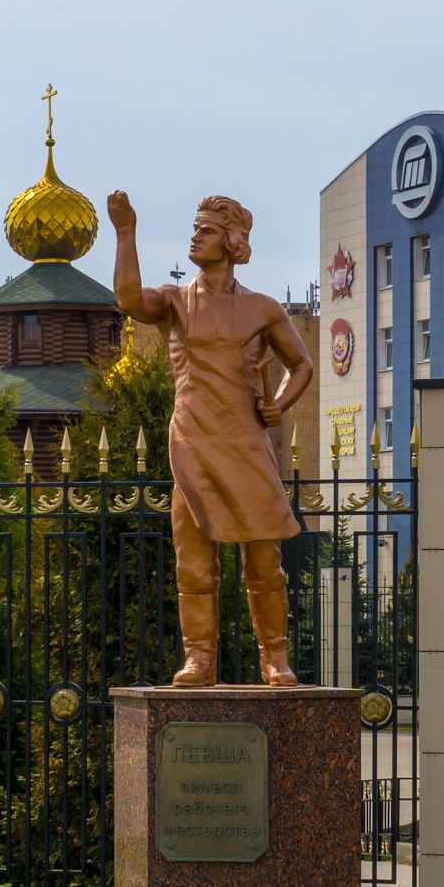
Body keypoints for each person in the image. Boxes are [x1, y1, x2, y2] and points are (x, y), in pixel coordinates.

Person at [109, 189, 314, 687]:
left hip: (245, 443)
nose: (195, 238)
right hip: (192, 441)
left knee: (264, 561)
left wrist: (279, 403)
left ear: (232, 240)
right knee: (194, 561)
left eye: (206, 230)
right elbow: (130, 301)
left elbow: (301, 365)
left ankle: (275, 659)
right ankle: (198, 659)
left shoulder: (263, 309)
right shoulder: (174, 301)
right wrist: (126, 232)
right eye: (195, 229)